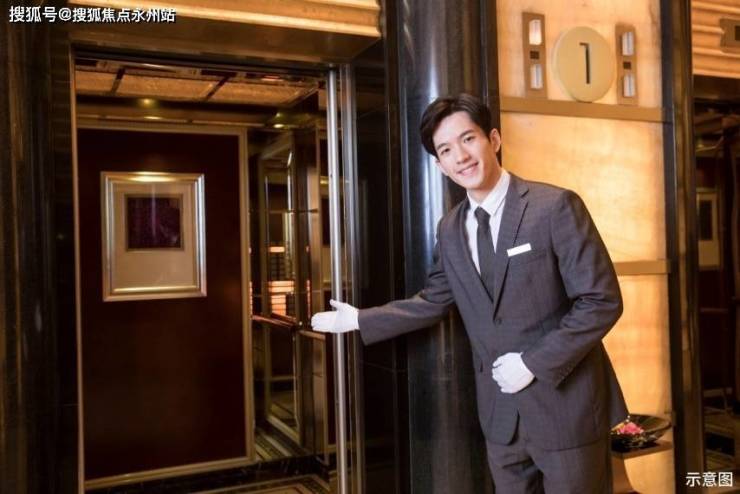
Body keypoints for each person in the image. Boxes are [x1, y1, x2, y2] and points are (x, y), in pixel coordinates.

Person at [311, 93, 627, 493]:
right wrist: (360, 319)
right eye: (446, 149)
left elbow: (601, 301)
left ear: (493, 139)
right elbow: (434, 299)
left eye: (468, 139)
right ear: (439, 165)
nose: (460, 156)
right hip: (501, 418)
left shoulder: (553, 207)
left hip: (567, 411)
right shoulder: (450, 229)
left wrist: (532, 363)